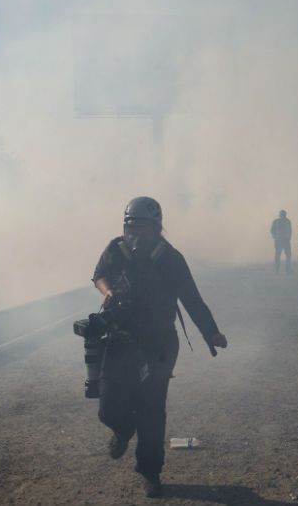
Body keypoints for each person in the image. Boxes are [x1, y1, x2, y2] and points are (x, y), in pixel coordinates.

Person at [92, 196, 228, 498]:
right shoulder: (115, 249)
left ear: (156, 228)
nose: (136, 234)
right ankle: (122, 429)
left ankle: (151, 472)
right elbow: (98, 274)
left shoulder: (171, 259)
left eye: (143, 228)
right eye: (131, 228)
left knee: (151, 409)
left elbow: (192, 300)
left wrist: (212, 333)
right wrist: (108, 291)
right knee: (108, 406)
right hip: (120, 338)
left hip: (158, 343)